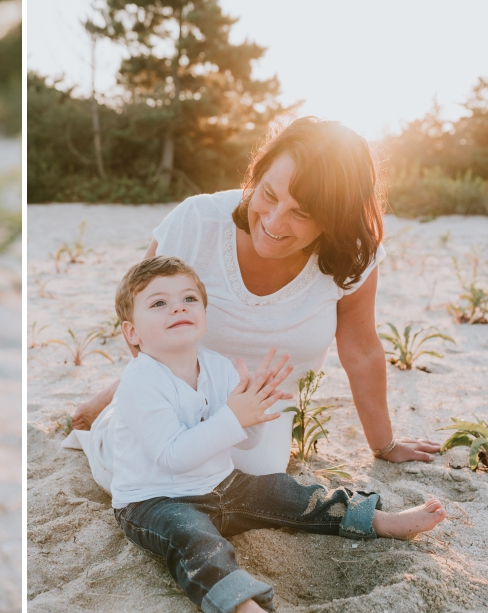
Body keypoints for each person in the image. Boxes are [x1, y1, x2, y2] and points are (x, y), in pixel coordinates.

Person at [94, 256, 447, 613]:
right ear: (131, 333)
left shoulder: (218, 367)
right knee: (194, 539)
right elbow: (172, 456)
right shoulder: (139, 380)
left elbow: (243, 438)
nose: (178, 308)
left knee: (286, 491)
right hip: (155, 501)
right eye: (159, 303)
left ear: (204, 316)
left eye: (189, 298)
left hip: (222, 485)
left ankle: (376, 518)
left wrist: (257, 409)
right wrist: (233, 416)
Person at [73, 117, 440, 473]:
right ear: (257, 175)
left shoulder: (353, 253)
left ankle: (119, 394)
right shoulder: (197, 222)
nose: (274, 223)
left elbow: (361, 350)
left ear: (336, 218)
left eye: (302, 212)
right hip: (182, 385)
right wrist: (161, 391)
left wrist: (385, 444)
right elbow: (140, 314)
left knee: (258, 470)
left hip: (264, 402)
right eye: (268, 194)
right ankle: (110, 413)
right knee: (146, 463)